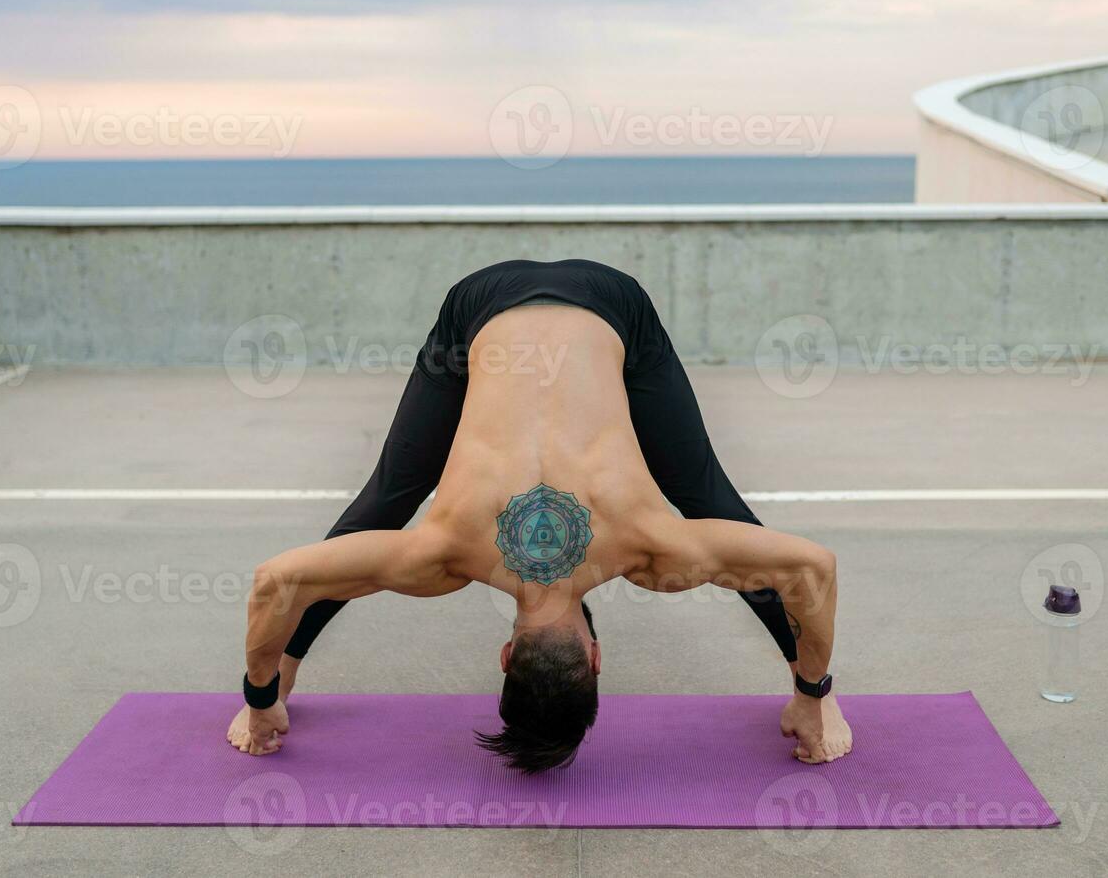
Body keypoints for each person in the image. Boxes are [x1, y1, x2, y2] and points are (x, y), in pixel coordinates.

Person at [227, 260, 852, 772]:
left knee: (386, 506)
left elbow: (807, 570)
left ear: (596, 658)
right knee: (708, 502)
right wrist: (811, 695)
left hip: (560, 302)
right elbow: (281, 581)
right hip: (516, 301)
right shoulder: (447, 552)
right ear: (506, 656)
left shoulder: (647, 548)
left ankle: (281, 681)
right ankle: (277, 682)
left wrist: (259, 702)